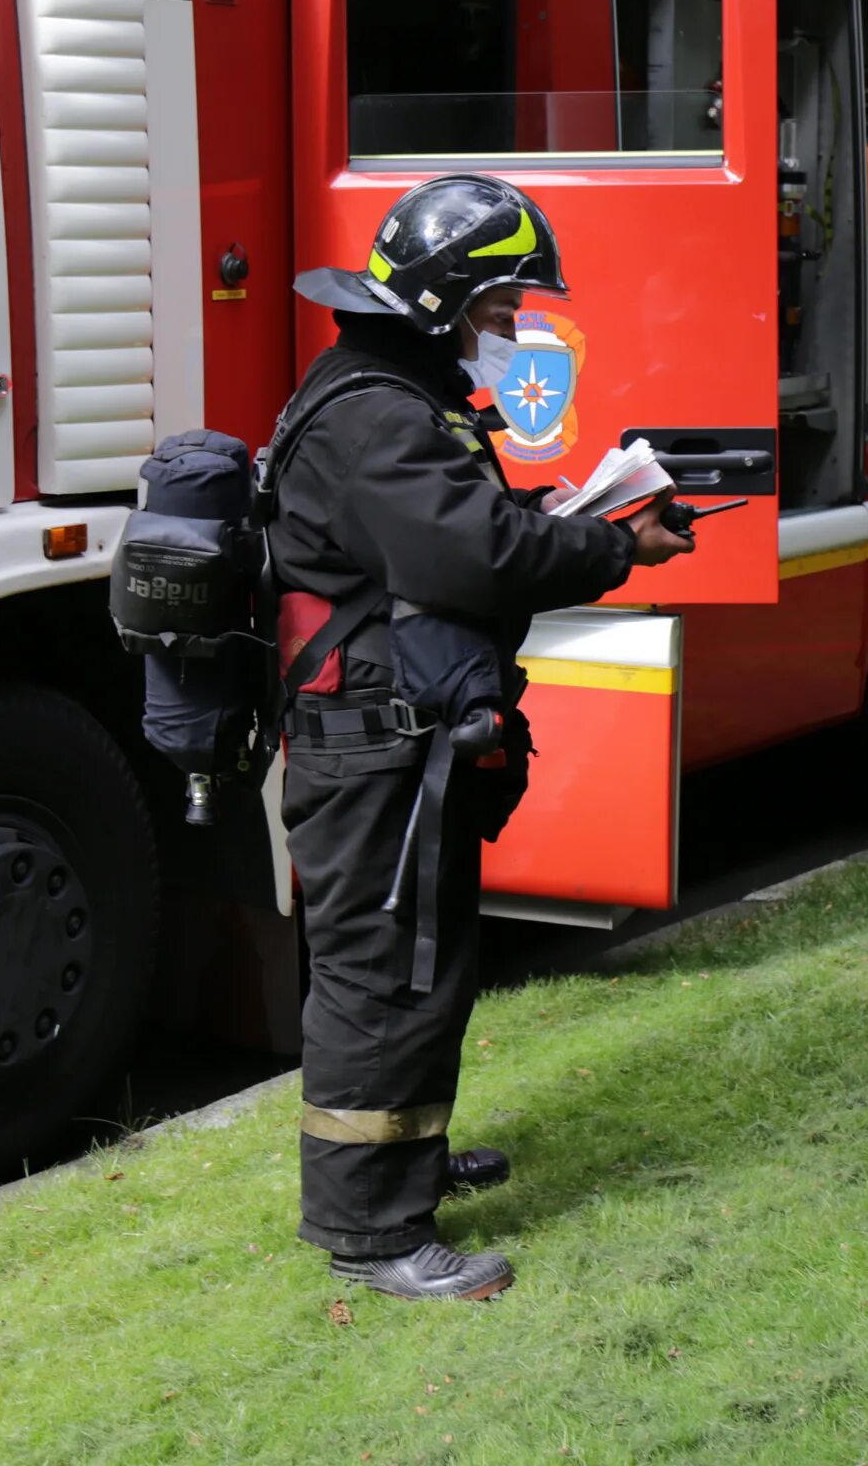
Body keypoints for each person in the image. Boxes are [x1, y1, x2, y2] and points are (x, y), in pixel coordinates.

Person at [273, 174, 693, 1302]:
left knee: (427, 960)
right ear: (449, 299)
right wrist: (617, 551)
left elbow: (471, 536)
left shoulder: (395, 389)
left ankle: (404, 1158)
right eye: (504, 310)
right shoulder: (377, 415)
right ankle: (371, 1229)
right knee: (384, 973)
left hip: (392, 739)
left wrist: (589, 522)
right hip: (370, 747)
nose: (514, 333)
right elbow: (481, 557)